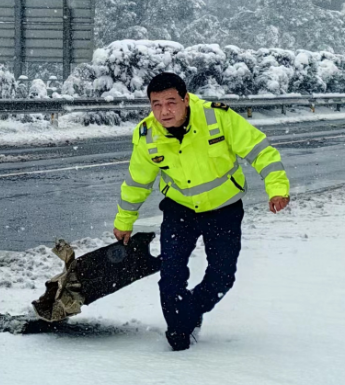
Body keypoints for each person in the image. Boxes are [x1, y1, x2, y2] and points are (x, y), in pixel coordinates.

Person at [113, 73, 290, 351]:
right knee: (171, 277)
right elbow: (137, 183)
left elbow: (260, 151)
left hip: (224, 210)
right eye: (156, 104)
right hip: (179, 210)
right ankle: (178, 334)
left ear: (186, 100)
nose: (164, 111)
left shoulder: (217, 118)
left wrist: (276, 188)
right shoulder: (148, 136)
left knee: (222, 277)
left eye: (171, 102)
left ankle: (191, 312)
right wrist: (124, 221)